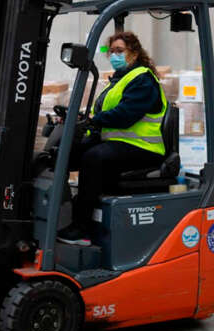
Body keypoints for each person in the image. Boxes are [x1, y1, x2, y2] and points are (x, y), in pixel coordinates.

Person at [57, 31, 167, 246]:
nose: (115, 55)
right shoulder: (118, 80)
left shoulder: (142, 79)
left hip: (144, 148)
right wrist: (84, 122)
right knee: (66, 153)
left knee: (93, 158)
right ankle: (61, 214)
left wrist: (94, 121)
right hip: (120, 142)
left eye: (120, 51)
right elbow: (104, 115)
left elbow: (126, 115)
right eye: (112, 51)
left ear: (134, 53)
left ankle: (82, 229)